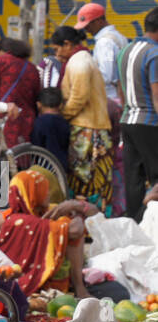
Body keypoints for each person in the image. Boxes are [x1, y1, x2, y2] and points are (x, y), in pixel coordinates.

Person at [0, 169, 125, 301]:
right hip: (42, 290)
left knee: (118, 291)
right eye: (43, 190)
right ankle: (80, 289)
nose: (48, 193)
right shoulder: (17, 220)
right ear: (32, 194)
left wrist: (76, 206)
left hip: (54, 286)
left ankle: (80, 287)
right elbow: (76, 230)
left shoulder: (46, 212)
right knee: (118, 294)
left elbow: (97, 216)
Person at [55, 25, 114, 212]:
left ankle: (88, 224)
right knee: (91, 180)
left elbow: (79, 97)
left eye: (57, 49)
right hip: (91, 126)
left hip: (87, 130)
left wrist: (62, 116)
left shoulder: (79, 62)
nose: (57, 55)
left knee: (85, 180)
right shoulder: (82, 59)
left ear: (67, 44)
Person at [118, 8, 158, 220]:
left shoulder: (126, 50)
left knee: (133, 178)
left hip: (127, 121)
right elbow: (157, 94)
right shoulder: (155, 53)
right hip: (150, 122)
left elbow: (119, 89)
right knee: (156, 178)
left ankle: (135, 223)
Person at [0, 36, 39, 149]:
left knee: (3, 158)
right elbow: (35, 97)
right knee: (22, 157)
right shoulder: (32, 68)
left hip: (4, 117)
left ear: (0, 51)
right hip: (26, 120)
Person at [76, 3, 127, 105]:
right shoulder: (119, 36)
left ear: (99, 21)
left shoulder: (104, 42)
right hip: (119, 97)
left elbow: (106, 76)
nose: (86, 29)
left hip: (109, 99)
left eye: (88, 25)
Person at [31, 86, 72, 178]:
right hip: (61, 168)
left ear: (38, 105)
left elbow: (35, 145)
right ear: (61, 105)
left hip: (43, 167)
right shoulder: (65, 123)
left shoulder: (39, 122)